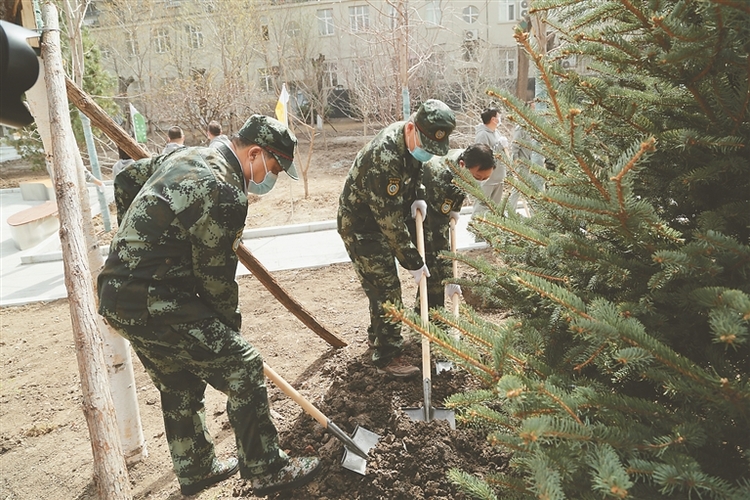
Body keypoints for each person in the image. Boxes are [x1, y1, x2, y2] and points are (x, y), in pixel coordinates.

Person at [97, 115, 320, 497]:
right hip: (155, 299)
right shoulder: (225, 192)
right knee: (244, 366)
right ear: (254, 153)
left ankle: (196, 468)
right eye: (274, 168)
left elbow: (126, 179)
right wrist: (230, 336)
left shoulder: (185, 155)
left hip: (117, 293)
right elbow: (216, 282)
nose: (272, 178)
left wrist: (132, 243)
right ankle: (265, 467)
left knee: (178, 380)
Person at [337, 99, 456, 377]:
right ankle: (387, 355)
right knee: (386, 288)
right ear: (412, 128)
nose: (427, 154)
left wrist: (418, 197)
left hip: (384, 216)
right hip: (362, 225)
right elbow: (388, 222)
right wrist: (413, 261)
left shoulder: (411, 143)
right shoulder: (386, 155)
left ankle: (377, 335)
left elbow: (417, 174)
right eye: (425, 147)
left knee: (382, 287)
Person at [407, 144, 495, 309]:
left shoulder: (462, 161)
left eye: (485, 178)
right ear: (463, 165)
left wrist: (455, 208)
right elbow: (439, 234)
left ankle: (427, 313)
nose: (480, 182)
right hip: (412, 210)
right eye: (478, 177)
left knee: (435, 263)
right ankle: (432, 317)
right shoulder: (441, 179)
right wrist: (450, 279)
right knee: (433, 263)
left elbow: (462, 185)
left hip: (434, 205)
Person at [472, 107, 509, 217]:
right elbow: (482, 154)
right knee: (481, 205)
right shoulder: (482, 134)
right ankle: (476, 227)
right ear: (493, 119)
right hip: (487, 178)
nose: (500, 119)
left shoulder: (496, 132)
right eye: (498, 116)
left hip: (498, 177)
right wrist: (499, 146)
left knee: (495, 207)